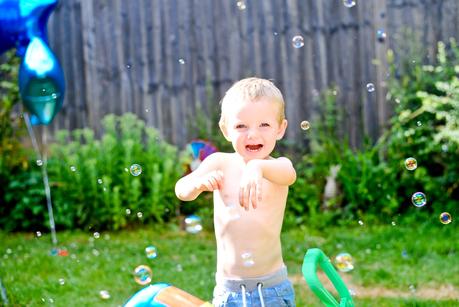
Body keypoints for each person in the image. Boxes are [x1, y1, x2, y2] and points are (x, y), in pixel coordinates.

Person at [175, 77, 297, 307]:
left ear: (280, 129)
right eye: (241, 126)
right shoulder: (219, 163)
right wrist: (197, 185)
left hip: (271, 291)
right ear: (226, 130)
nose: (252, 134)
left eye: (264, 125)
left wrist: (257, 167)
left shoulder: (277, 167)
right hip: (228, 292)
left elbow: (289, 174)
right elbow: (181, 189)